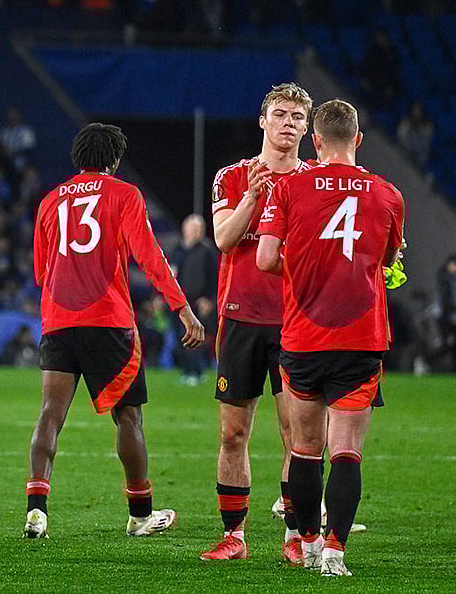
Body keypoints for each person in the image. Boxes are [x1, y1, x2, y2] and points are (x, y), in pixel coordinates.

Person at [23, 123, 205, 540]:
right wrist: (183, 308)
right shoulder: (124, 194)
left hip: (58, 320)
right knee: (129, 417)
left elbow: (40, 270)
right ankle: (141, 514)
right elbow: (150, 256)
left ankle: (37, 510)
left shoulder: (50, 201)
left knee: (51, 413)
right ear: (115, 160)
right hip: (108, 321)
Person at [256, 99, 405, 577]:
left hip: (303, 334)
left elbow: (264, 259)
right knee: (346, 449)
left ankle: (309, 543)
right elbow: (387, 262)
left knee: (304, 447)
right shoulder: (388, 195)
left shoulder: (289, 189)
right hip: (361, 336)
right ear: (358, 139)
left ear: (315, 140)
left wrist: (302, 262)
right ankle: (337, 554)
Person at [203, 82, 312, 564]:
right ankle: (235, 537)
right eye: (281, 114)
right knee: (233, 433)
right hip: (241, 318)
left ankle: (294, 535)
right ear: (263, 121)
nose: (289, 123)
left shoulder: (314, 182)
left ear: (308, 129)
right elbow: (224, 239)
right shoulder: (230, 178)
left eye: (298, 118)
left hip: (296, 322)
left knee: (297, 434)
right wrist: (251, 197)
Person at [169, 213, 219, 385]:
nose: (194, 231)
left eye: (198, 228)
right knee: (179, 337)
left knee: (194, 337)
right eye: (192, 227)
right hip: (179, 300)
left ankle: (196, 372)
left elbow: (215, 276)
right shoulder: (178, 249)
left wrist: (209, 298)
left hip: (198, 301)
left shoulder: (207, 249)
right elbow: (171, 273)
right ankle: (186, 371)